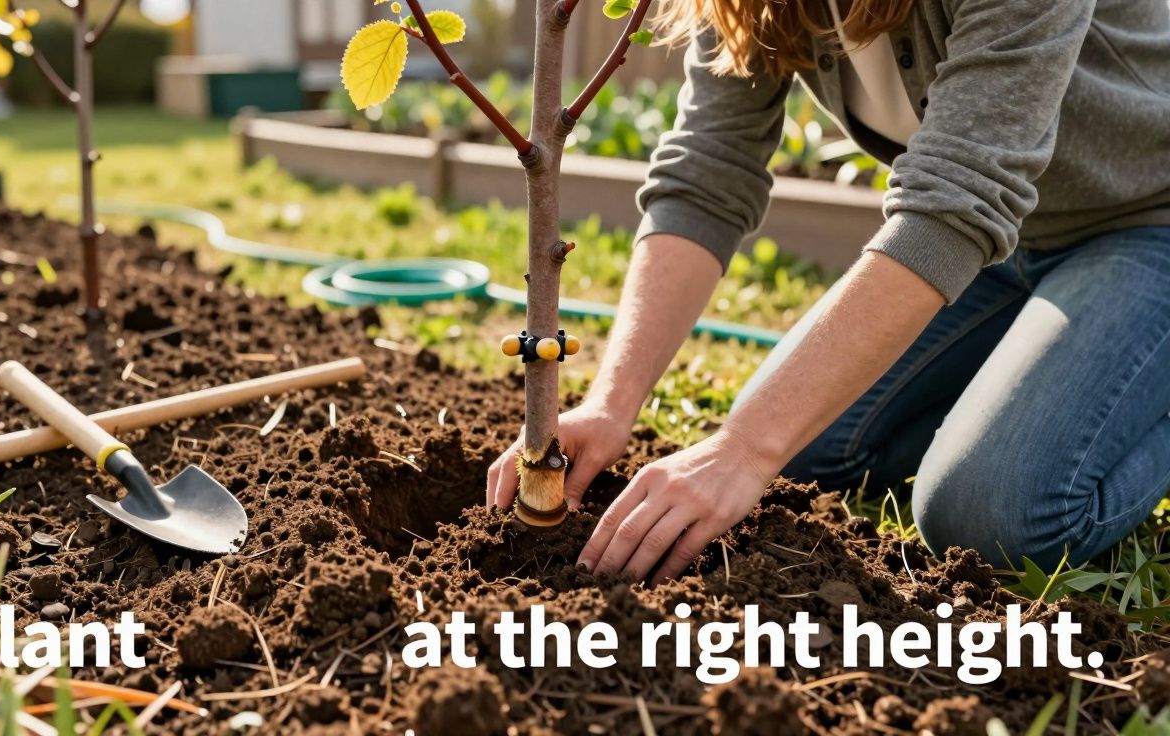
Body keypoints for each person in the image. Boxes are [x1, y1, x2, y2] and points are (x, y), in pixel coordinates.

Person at [485, 0, 1170, 582]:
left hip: (1150, 222)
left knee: (989, 514)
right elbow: (709, 170)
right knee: (806, 452)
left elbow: (955, 203)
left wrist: (741, 449)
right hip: (1003, 245)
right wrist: (611, 403)